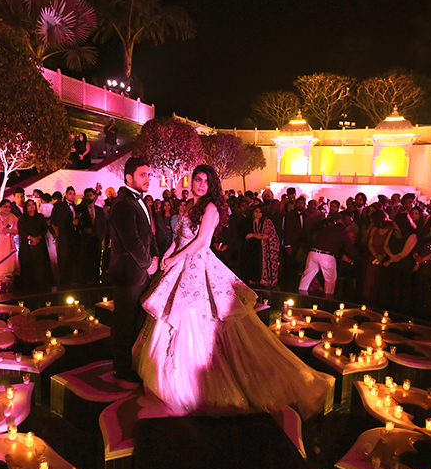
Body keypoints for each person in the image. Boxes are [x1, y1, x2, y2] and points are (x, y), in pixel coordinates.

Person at [134, 165, 333, 417]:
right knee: (172, 317)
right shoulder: (189, 207)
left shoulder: (210, 208)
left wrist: (175, 259)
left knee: (195, 318)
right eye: (197, 180)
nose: (200, 185)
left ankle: (194, 383)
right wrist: (168, 253)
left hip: (196, 266)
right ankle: (167, 375)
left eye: (206, 181)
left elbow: (200, 242)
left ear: (212, 185)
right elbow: (181, 236)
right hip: (180, 262)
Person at [109, 157, 159, 386]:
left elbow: (149, 235)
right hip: (128, 274)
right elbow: (132, 242)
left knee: (138, 322)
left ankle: (134, 363)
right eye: (143, 174)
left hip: (142, 272)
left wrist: (156, 256)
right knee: (124, 324)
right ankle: (121, 368)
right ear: (129, 177)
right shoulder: (121, 204)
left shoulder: (143, 202)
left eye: (149, 174)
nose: (148, 178)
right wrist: (148, 262)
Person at [298, 215, 360, 297]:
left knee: (307, 277)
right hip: (326, 256)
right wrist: (359, 257)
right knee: (330, 280)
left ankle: (300, 297)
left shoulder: (325, 230)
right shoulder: (342, 233)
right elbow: (350, 248)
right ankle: (328, 299)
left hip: (313, 253)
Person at [239, 203, 280, 289]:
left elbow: (268, 235)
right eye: (256, 211)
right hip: (250, 249)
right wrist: (255, 235)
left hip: (264, 250)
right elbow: (245, 235)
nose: (257, 214)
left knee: (261, 265)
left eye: (260, 212)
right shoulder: (247, 221)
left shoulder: (266, 222)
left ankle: (262, 282)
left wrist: (254, 235)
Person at [18, 200, 53, 294]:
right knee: (28, 268)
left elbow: (44, 229)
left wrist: (38, 238)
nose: (31, 207)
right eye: (29, 205)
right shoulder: (22, 218)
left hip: (40, 245)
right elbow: (21, 231)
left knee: (41, 267)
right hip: (27, 246)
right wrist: (30, 237)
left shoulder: (40, 217)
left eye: (33, 204)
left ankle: (42, 289)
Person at [76, 187, 106, 286]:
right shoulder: (81, 208)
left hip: (97, 237)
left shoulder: (98, 208)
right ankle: (86, 280)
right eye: (87, 196)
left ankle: (96, 279)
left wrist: (101, 234)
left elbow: (103, 222)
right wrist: (84, 228)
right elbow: (77, 222)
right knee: (86, 258)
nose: (90, 197)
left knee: (97, 258)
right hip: (85, 237)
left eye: (91, 195)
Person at [51, 186, 79, 289]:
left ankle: (72, 280)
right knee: (64, 259)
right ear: (66, 195)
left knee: (72, 259)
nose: (72, 196)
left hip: (74, 237)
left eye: (73, 194)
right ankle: (63, 283)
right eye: (70, 194)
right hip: (64, 236)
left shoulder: (75, 206)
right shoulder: (60, 206)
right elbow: (56, 220)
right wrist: (71, 223)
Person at [0, 199, 19, 291]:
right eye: (5, 207)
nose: (7, 209)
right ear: (0, 207)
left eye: (9, 207)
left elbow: (17, 230)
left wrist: (11, 231)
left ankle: (7, 286)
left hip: (9, 244)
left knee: (8, 264)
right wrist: (3, 230)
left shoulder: (13, 217)